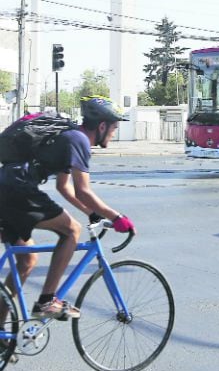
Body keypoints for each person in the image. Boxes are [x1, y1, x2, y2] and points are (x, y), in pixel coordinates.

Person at [0, 96, 135, 321]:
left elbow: (64, 187)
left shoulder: (68, 136)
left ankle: (2, 337)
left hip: (7, 186)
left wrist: (91, 213)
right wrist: (117, 217)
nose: (114, 132)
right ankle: (47, 302)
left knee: (27, 260)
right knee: (72, 230)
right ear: (102, 126)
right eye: (114, 127)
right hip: (17, 190)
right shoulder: (78, 140)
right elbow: (83, 190)